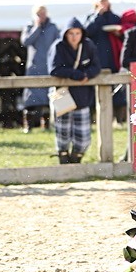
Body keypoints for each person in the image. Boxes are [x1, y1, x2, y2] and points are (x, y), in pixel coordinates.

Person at [49, 18, 101, 164]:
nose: (74, 36)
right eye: (71, 33)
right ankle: (63, 160)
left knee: (83, 136)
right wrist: (76, 74)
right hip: (62, 94)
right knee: (62, 133)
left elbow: (96, 66)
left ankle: (76, 159)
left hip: (82, 95)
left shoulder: (88, 45)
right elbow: (54, 69)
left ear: (82, 33)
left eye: (77, 33)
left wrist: (87, 75)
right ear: (65, 34)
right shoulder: (58, 46)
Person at [20, 5, 60, 132]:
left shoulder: (53, 27)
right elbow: (25, 41)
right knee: (31, 98)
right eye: (38, 14)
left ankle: (46, 125)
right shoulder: (29, 27)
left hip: (48, 67)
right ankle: (28, 125)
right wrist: (37, 28)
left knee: (48, 96)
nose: (41, 16)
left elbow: (59, 44)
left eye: (43, 13)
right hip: (34, 68)